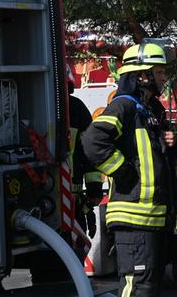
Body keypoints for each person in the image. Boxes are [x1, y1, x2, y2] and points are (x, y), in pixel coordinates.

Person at [83, 42, 177, 297]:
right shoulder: (125, 106)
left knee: (149, 288)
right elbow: (92, 140)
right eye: (159, 72)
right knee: (137, 289)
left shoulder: (152, 111)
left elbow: (173, 156)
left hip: (154, 219)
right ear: (142, 75)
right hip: (134, 220)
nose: (163, 77)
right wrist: (124, 172)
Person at [67, 66, 103, 239]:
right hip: (72, 197)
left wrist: (94, 191)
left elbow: (89, 151)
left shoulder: (76, 109)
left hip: (73, 198)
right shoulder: (77, 108)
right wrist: (94, 190)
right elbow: (91, 152)